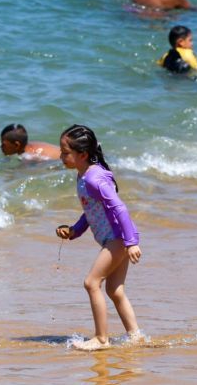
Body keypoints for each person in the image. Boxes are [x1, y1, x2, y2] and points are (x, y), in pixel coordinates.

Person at [55, 125, 142, 351]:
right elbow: (92, 209)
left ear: (82, 154)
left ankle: (101, 339)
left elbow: (119, 208)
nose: (60, 156)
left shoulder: (95, 178)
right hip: (114, 238)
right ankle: (135, 336)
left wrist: (131, 242)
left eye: (65, 152)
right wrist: (75, 230)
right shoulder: (83, 176)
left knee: (91, 282)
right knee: (115, 290)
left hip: (119, 238)